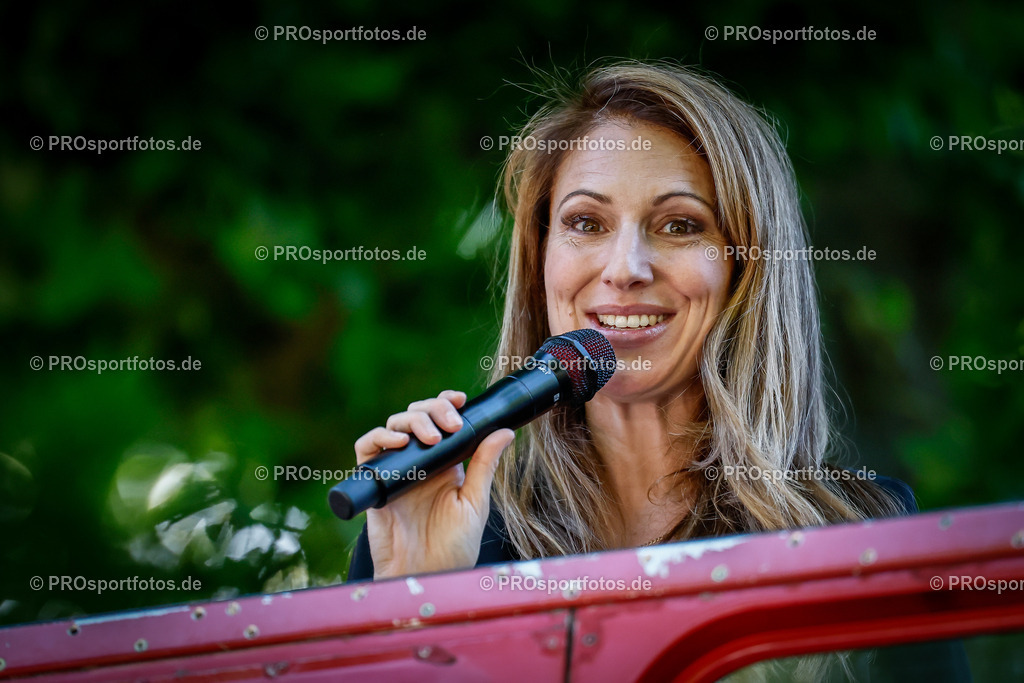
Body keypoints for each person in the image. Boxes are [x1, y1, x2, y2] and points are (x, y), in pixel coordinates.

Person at [347, 60, 915, 582]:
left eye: (679, 225)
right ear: (540, 260)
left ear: (747, 267)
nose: (625, 269)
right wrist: (415, 602)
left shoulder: (863, 534)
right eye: (587, 223)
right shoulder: (438, 525)